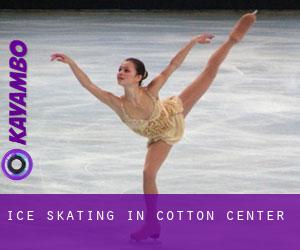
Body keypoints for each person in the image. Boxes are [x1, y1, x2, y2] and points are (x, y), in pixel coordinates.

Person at [51, 11, 257, 240]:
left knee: (208, 72)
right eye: (119, 69)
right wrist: (71, 63)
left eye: (126, 70)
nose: (120, 73)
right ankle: (151, 223)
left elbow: (174, 65)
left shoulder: (151, 90)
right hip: (161, 137)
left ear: (138, 77)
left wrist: (192, 42)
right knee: (148, 174)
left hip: (175, 112)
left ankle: (232, 39)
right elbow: (88, 85)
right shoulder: (116, 103)